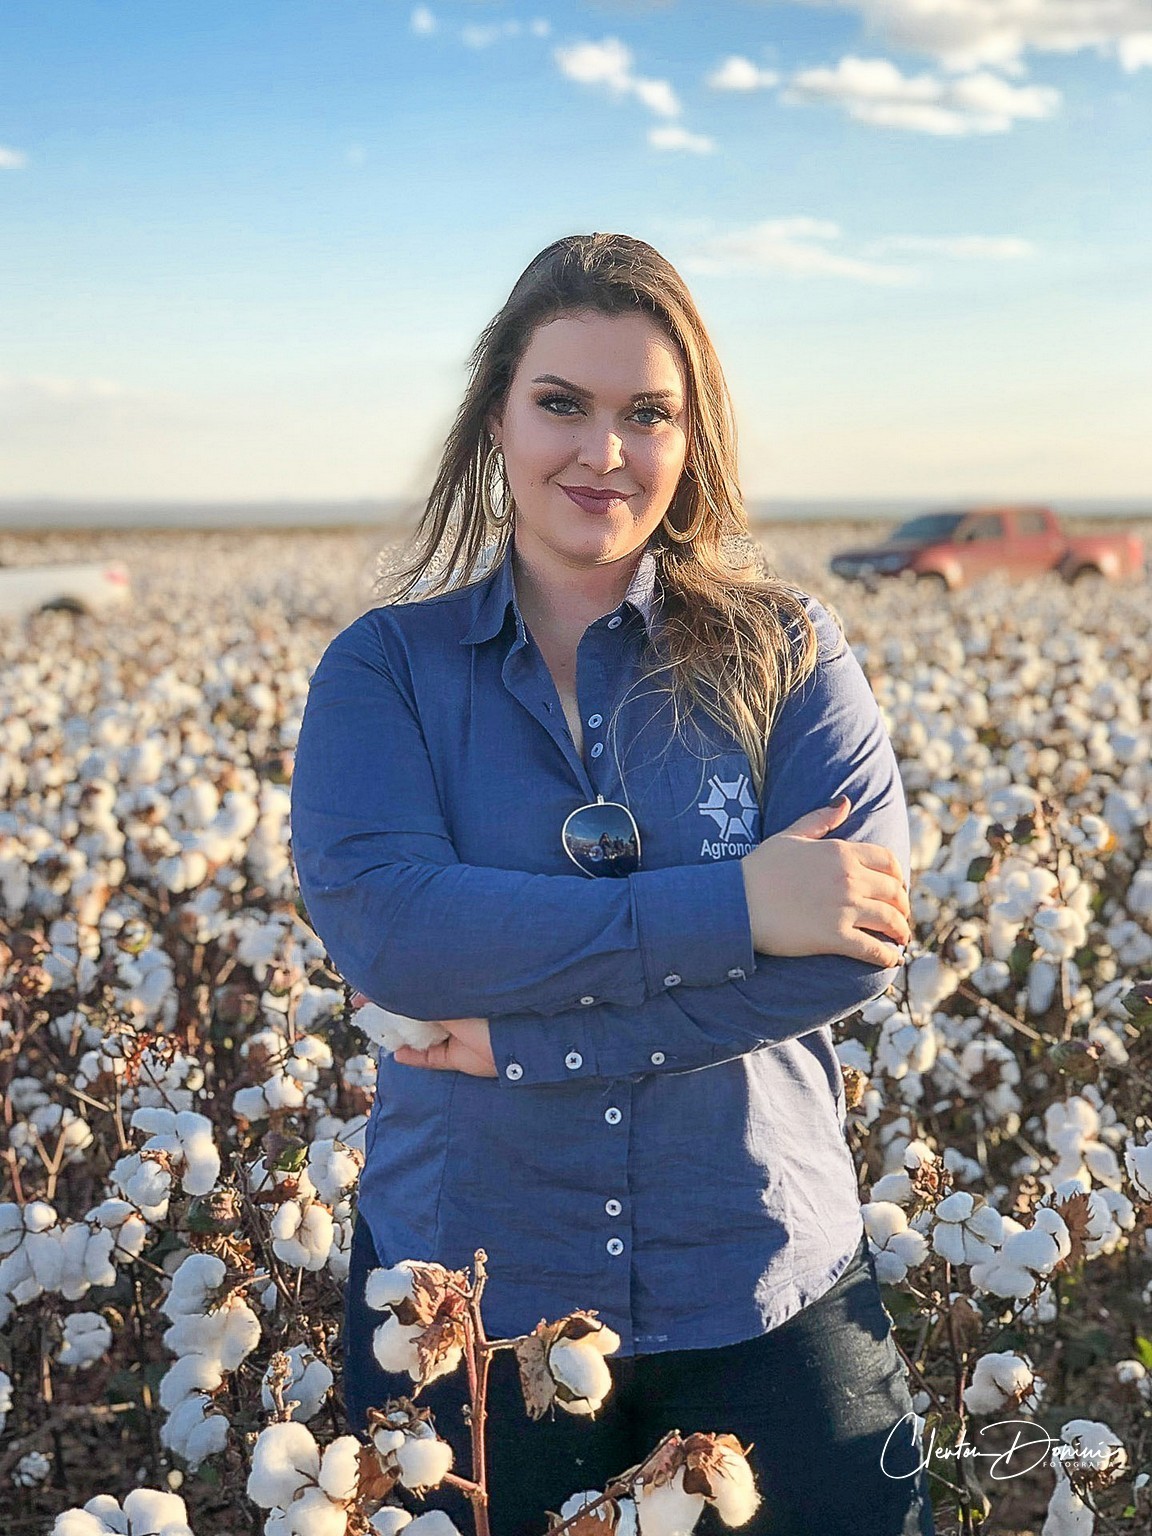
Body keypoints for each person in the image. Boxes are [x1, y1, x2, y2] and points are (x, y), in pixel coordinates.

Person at [289, 232, 934, 1536]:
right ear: (495, 420)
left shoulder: (792, 650)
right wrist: (739, 907)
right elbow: (398, 939)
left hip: (764, 1278)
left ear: (693, 438)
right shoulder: (384, 669)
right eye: (561, 404)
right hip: (469, 1298)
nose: (606, 452)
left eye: (649, 412)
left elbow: (850, 943)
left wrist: (524, 1040)